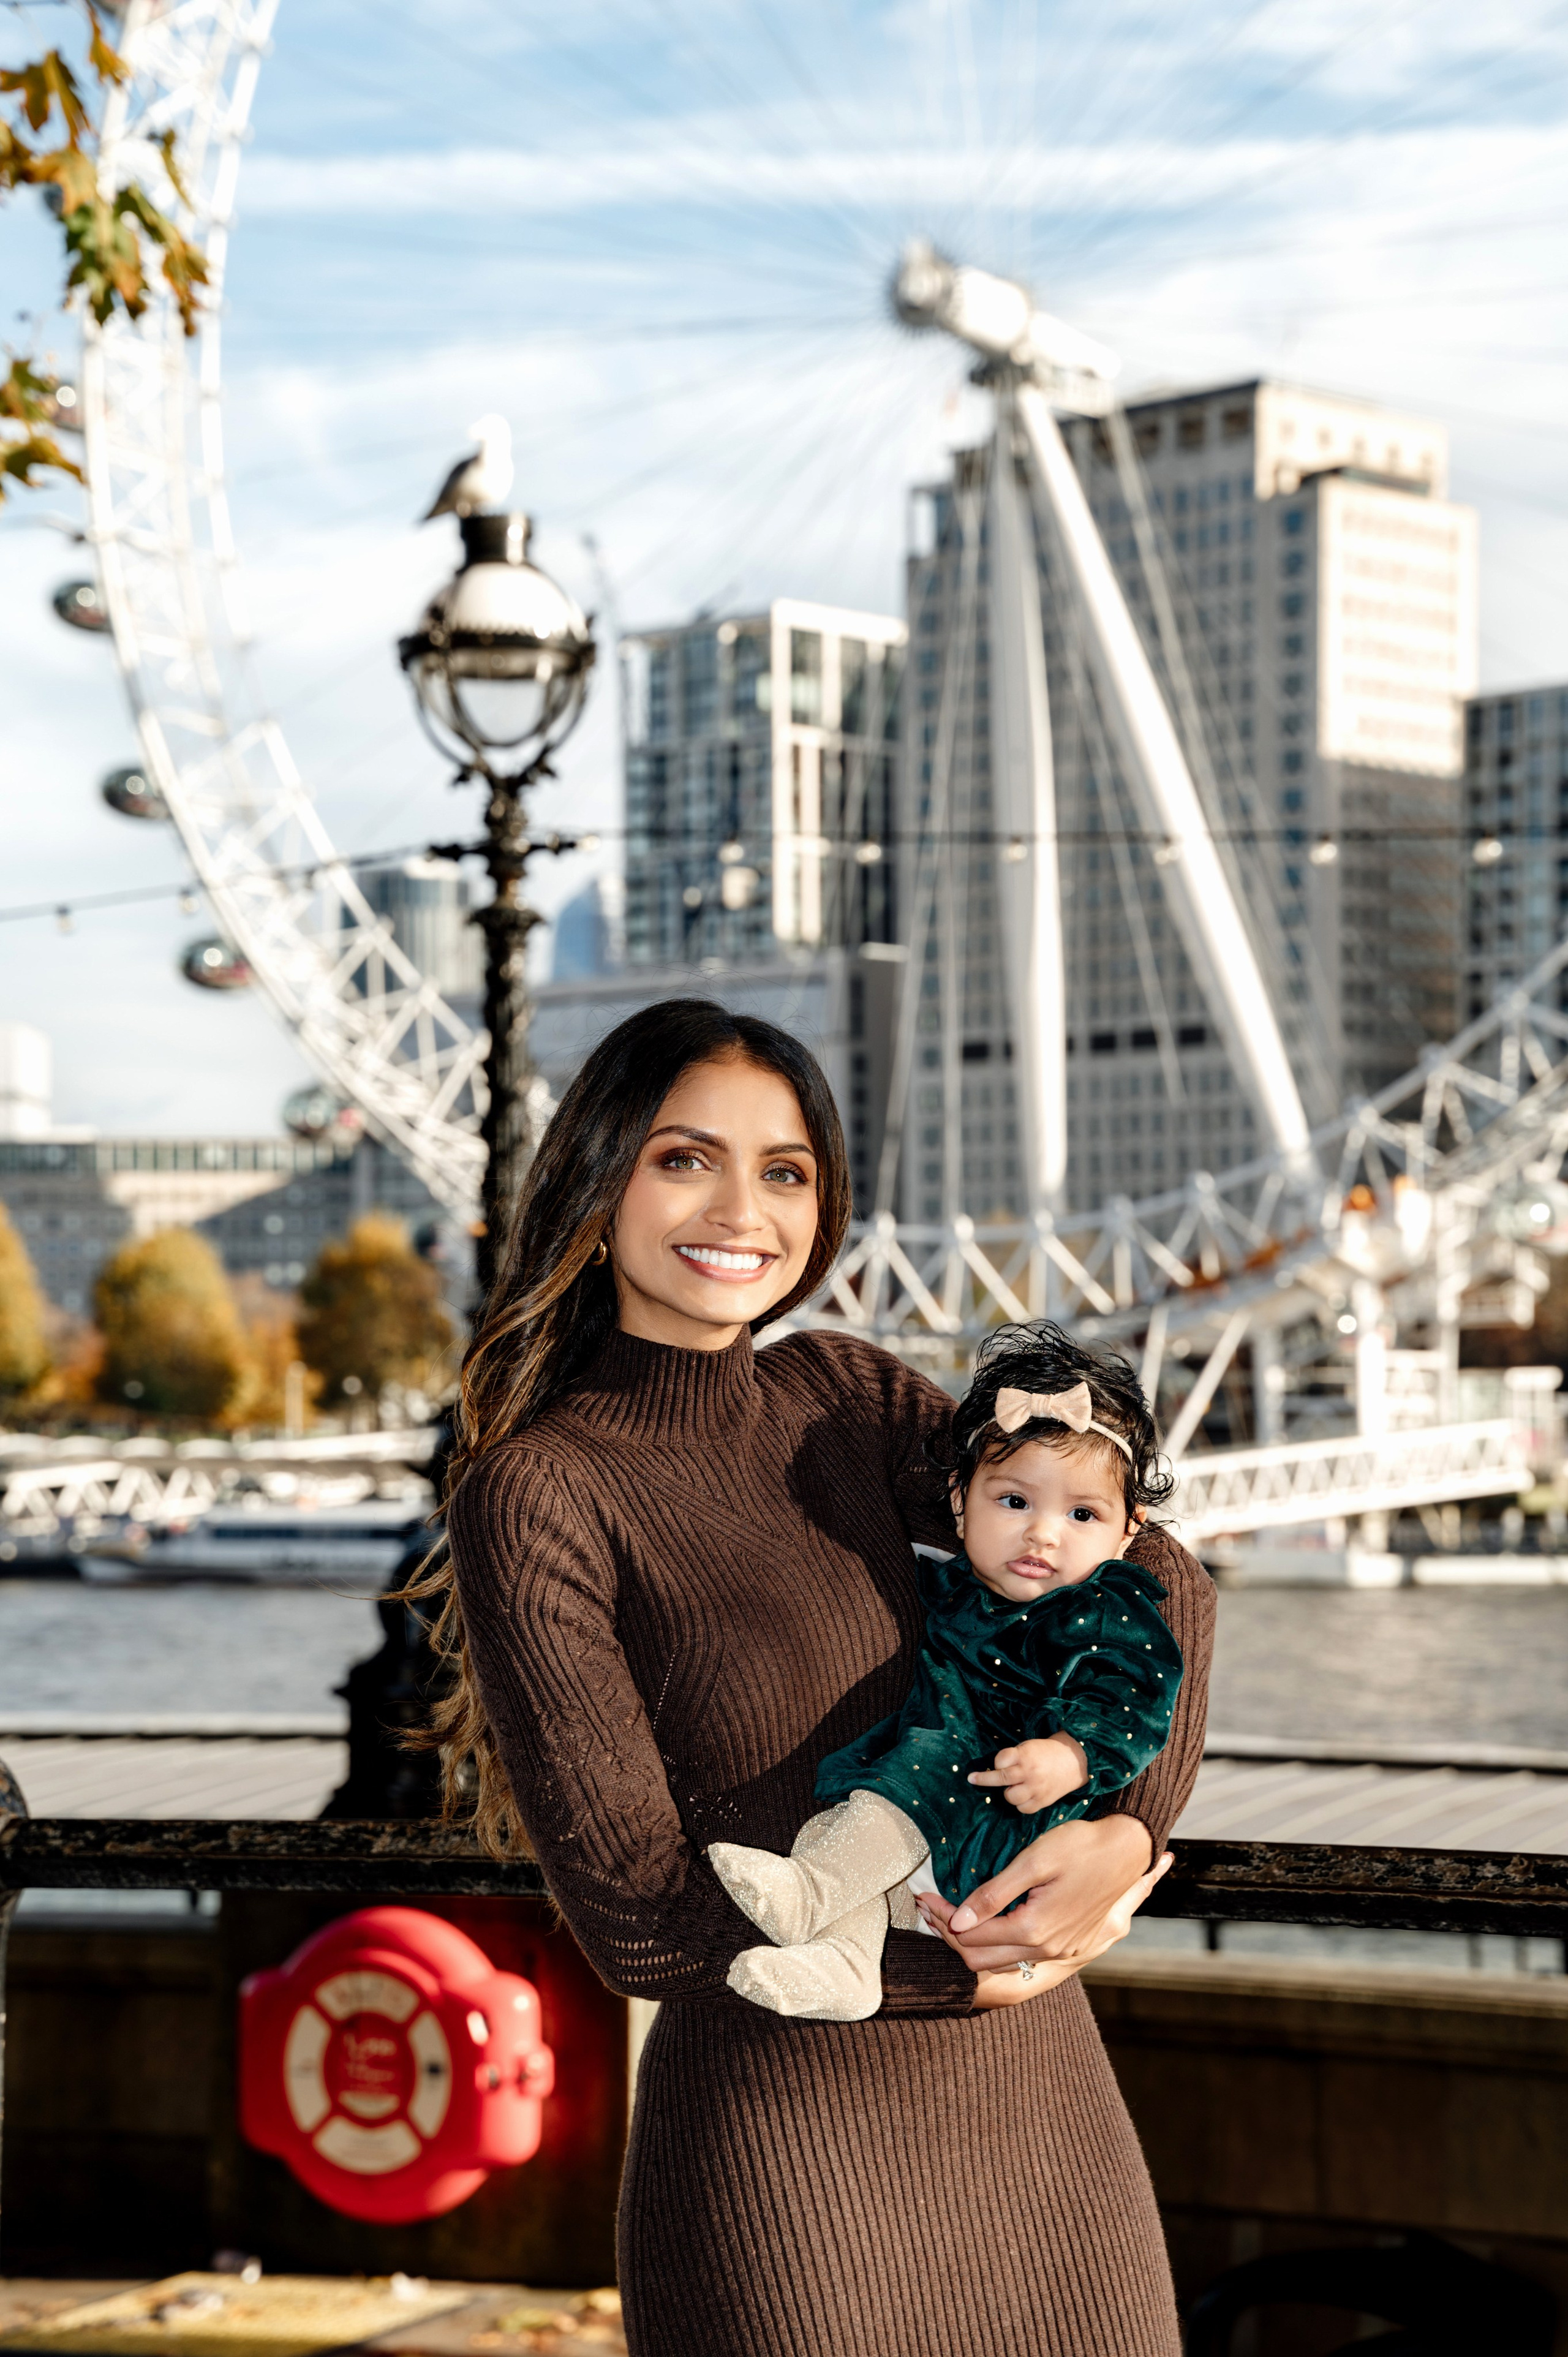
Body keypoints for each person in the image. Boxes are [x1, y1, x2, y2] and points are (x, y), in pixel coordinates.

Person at [431, 998, 1215, 2357]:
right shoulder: (542, 1490)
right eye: (685, 1158)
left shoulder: (840, 1396)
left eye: (783, 1170)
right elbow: (637, 1917)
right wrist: (959, 1980)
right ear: (598, 1176)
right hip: (787, 2156)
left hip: (1043, 2128)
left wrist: (1119, 1825)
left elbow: (1154, 1578)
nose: (742, 1207)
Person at [709, 1322, 1184, 2018]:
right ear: (960, 1501)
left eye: (1081, 1513)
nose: (1042, 1533)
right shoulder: (941, 1583)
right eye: (1014, 1501)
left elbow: (1138, 1697)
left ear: (1127, 1532)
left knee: (896, 1789)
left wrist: (1072, 1753)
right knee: (833, 1825)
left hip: (1002, 1815)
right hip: (925, 1827)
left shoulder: (1104, 1610)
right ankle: (846, 1967)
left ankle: (810, 1894)